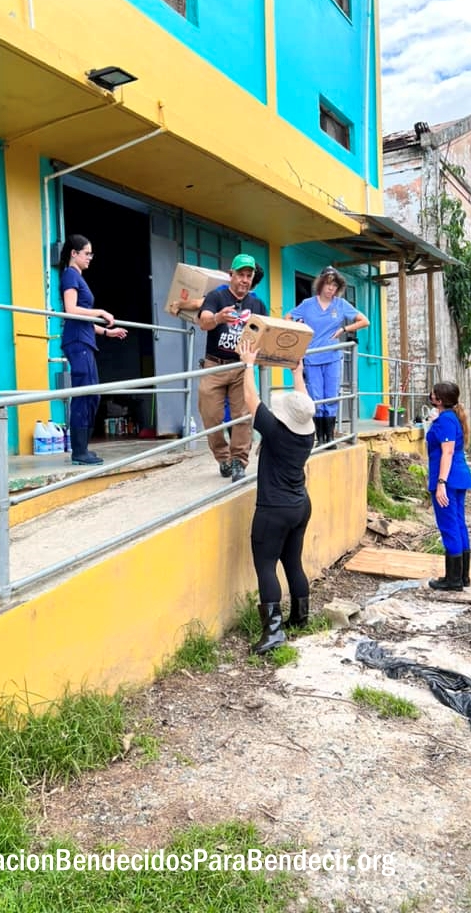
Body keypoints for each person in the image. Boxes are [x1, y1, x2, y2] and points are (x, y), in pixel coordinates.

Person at [237, 338, 316, 653]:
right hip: (300, 505)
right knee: (293, 562)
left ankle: (273, 633)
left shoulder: (274, 430)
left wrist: (248, 365)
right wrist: (297, 373)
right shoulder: (308, 432)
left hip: (274, 509)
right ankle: (300, 617)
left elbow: (250, 398)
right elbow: (303, 404)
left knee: (266, 566)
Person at [197, 254, 268, 482]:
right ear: (231, 275)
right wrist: (218, 318)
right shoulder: (216, 296)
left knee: (242, 416)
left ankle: (239, 461)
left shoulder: (257, 304)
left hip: (240, 367)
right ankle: (223, 458)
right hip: (214, 365)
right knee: (210, 416)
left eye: (249, 276)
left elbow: (267, 331)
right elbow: (203, 321)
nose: (245, 280)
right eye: (241, 275)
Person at [60, 234, 127, 465]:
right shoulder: (70, 275)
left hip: (85, 340)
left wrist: (107, 332)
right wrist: (100, 312)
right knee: (84, 394)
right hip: (77, 342)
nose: (90, 257)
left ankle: (83, 448)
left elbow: (83, 319)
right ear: (74, 253)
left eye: (91, 254)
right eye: (87, 253)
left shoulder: (78, 277)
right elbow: (71, 310)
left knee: (93, 395)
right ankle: (79, 452)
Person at [285, 266, 369, 447]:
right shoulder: (308, 304)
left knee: (331, 395)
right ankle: (320, 438)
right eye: (328, 284)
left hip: (332, 357)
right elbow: (288, 317)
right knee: (316, 397)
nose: (331, 288)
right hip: (312, 357)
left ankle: (330, 437)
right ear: (321, 284)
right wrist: (301, 330)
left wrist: (344, 329)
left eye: (335, 285)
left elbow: (364, 321)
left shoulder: (340, 304)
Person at [426, 381, 471, 591]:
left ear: (439, 399)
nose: (430, 395)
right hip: (458, 476)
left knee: (449, 525)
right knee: (458, 523)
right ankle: (463, 577)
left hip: (449, 479)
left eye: (433, 393)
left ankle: (453, 580)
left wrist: (441, 484)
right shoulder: (449, 417)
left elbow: (447, 452)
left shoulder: (446, 420)